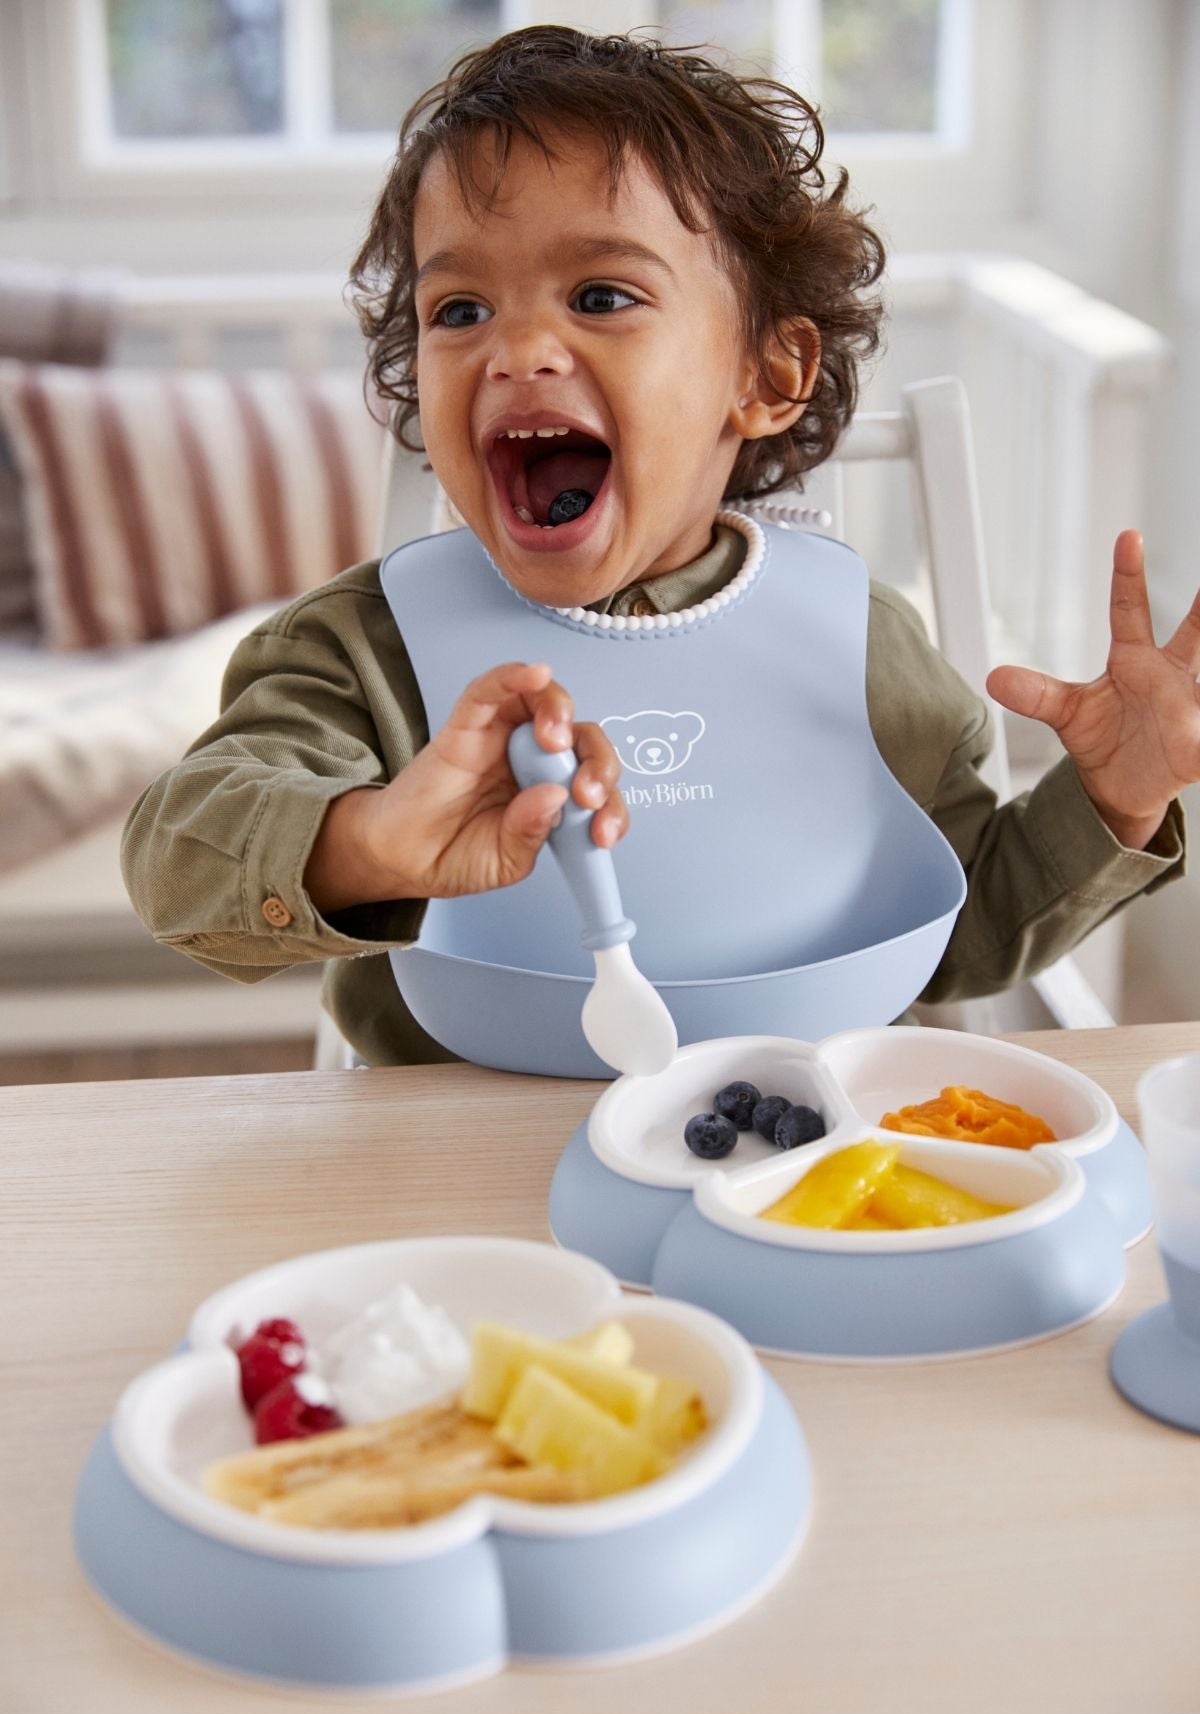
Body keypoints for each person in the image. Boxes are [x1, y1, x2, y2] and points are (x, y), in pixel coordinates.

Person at [122, 27, 1195, 1069]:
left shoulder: (856, 640)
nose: (518, 350)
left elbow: (957, 935)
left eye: (601, 296)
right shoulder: (364, 646)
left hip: (803, 1162)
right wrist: (372, 838)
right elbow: (176, 861)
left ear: (767, 377)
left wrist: (1114, 799)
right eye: (459, 309)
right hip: (461, 1162)